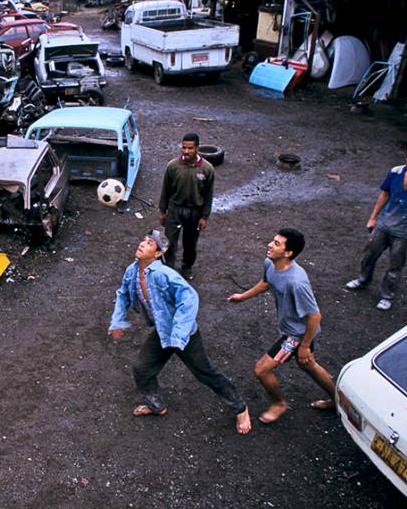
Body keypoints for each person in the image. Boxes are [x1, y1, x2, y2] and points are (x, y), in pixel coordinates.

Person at [108, 230, 252, 434]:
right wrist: (117, 320)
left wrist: (178, 335)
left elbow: (190, 298)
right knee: (142, 368)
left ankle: (241, 408)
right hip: (162, 332)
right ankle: (157, 406)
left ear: (158, 254)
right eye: (144, 240)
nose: (142, 244)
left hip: (184, 335)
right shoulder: (132, 271)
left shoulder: (164, 274)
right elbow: (122, 294)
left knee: (205, 373)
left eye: (150, 243)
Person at [227, 228, 335, 424]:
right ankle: (339, 400)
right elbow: (266, 283)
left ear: (288, 253)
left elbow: (315, 316)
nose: (270, 244)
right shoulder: (270, 263)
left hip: (296, 336)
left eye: (277, 243)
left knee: (261, 369)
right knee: (310, 366)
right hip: (291, 330)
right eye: (273, 240)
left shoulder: (297, 282)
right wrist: (242, 297)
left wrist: (303, 346)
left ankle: (279, 404)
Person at [344, 143, 407, 311]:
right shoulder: (396, 171)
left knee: (395, 264)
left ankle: (387, 296)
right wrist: (373, 217)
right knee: (369, 254)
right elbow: (385, 194)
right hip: (384, 223)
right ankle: (363, 280)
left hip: (405, 231)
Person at [158, 132, 215, 280]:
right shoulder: (173, 166)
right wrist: (163, 211)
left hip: (194, 212)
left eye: (190, 148)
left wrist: (204, 216)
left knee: (190, 245)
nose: (186, 151)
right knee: (169, 243)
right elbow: (166, 189)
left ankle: (186, 267)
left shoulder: (207, 169)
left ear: (197, 148)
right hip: (174, 209)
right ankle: (168, 271)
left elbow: (208, 195)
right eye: (183, 147)